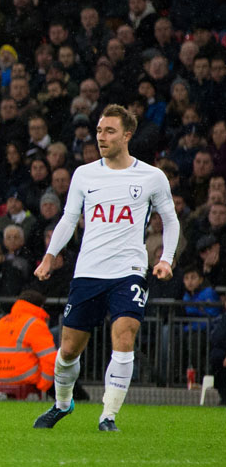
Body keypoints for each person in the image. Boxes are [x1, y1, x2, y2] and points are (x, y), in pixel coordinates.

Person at [33, 104, 178, 432]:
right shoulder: (85, 174)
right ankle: (62, 404)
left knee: (124, 336)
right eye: (99, 131)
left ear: (127, 135)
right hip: (88, 271)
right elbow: (69, 218)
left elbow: (170, 219)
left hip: (129, 270)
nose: (102, 136)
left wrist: (166, 258)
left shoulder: (151, 177)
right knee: (68, 350)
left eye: (109, 131)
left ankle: (108, 415)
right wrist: (49, 256)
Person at [0, 290, 57, 398]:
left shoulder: (0, 323)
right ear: (40, 306)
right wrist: (44, 385)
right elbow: (49, 358)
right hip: (25, 375)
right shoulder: (35, 324)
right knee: (64, 372)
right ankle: (78, 400)